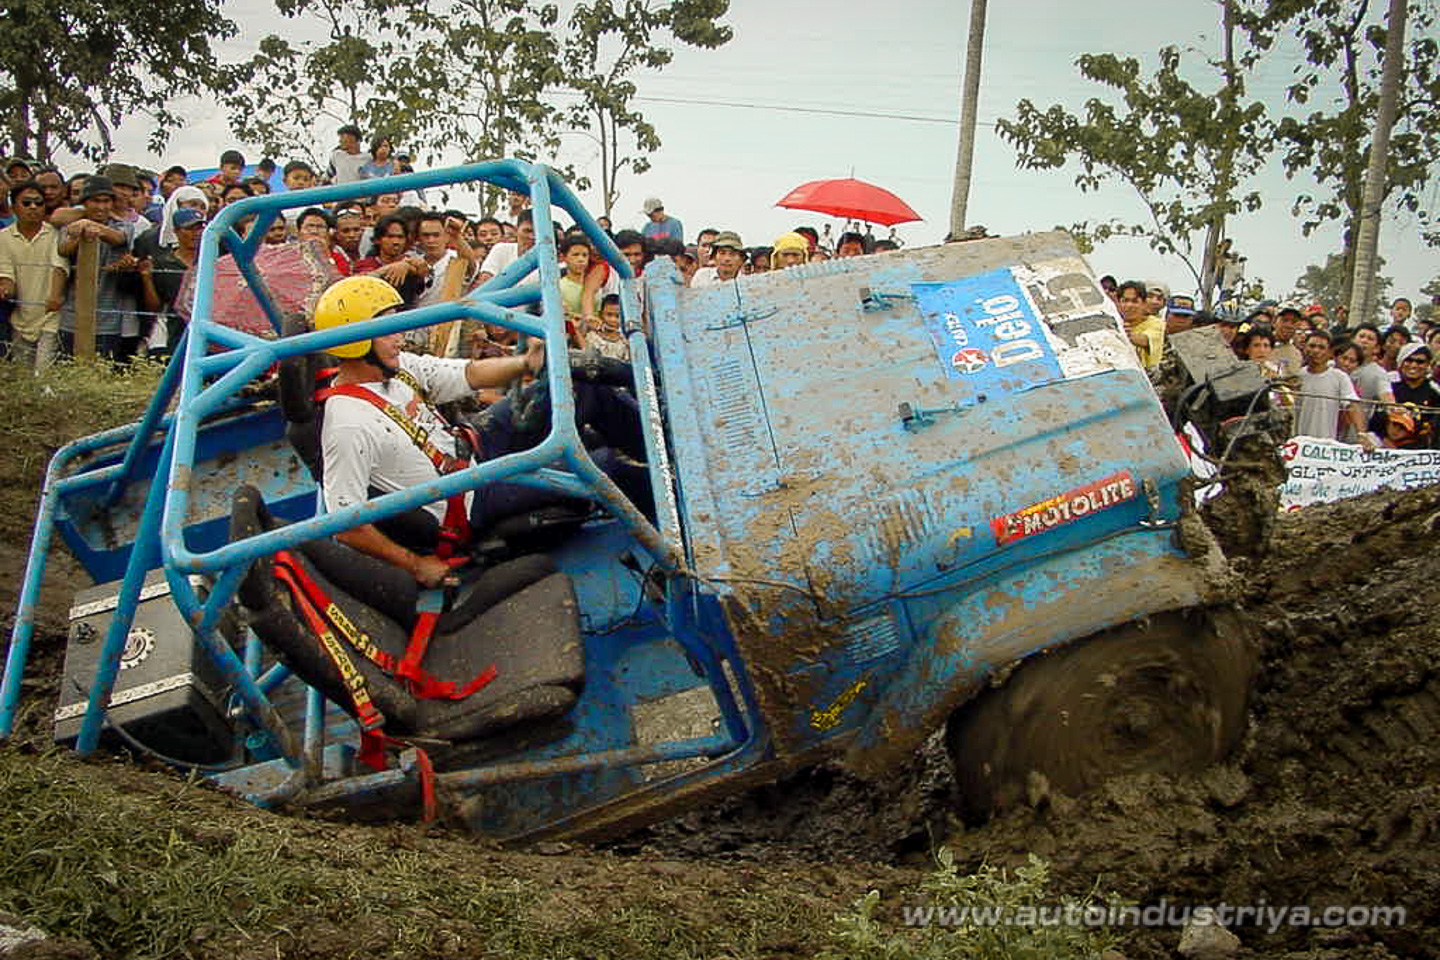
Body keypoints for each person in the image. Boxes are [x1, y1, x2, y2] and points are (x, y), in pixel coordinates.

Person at [313, 275, 649, 584]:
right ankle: (672, 530)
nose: (399, 337)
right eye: (387, 329)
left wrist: (524, 364)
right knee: (605, 466)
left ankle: (661, 457)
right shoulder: (346, 423)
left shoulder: (398, 368)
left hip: (474, 446)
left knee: (582, 390)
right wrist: (416, 565)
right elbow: (346, 526)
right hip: (470, 499)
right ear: (355, 342)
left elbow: (471, 374)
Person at [55, 176, 135, 361]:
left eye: (106, 201)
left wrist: (88, 225)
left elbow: (117, 238)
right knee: (66, 375)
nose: (101, 207)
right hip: (70, 318)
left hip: (108, 321)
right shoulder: (70, 227)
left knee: (102, 376)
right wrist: (81, 233)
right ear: (84, 203)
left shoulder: (124, 226)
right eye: (95, 201)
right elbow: (63, 249)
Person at [0, 179, 68, 372]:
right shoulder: (3, 237)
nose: (33, 207)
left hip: (51, 316)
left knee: (43, 375)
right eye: (26, 203)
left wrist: (55, 296)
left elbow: (59, 267)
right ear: (14, 207)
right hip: (20, 319)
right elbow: (6, 275)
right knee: (22, 377)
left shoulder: (55, 233)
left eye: (39, 203)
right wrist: (5, 290)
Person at [1293, 330, 1366, 444]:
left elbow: (1352, 405)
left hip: (1326, 445)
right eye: (1312, 346)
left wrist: (1361, 435)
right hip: (1298, 443)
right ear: (1304, 349)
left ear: (1329, 352)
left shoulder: (1339, 377)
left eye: (1321, 347)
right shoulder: (1298, 376)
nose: (1316, 351)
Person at [354, 213, 427, 306]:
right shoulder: (365, 264)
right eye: (390, 237)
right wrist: (394, 267)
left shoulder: (413, 261)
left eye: (400, 237)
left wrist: (408, 266)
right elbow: (360, 282)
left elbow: (425, 273)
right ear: (377, 240)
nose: (396, 242)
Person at [1390, 342, 1440, 445]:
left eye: (1420, 362)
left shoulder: (1434, 393)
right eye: (1409, 360)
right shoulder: (1390, 390)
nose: (1413, 365)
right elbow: (1376, 427)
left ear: (1427, 365)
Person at [1114, 279, 1164, 369]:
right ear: (1118, 303)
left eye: (1135, 301)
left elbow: (1145, 340)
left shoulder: (1156, 323)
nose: (1129, 305)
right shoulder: (1114, 323)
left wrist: (1127, 335)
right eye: (1125, 301)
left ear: (1144, 303)